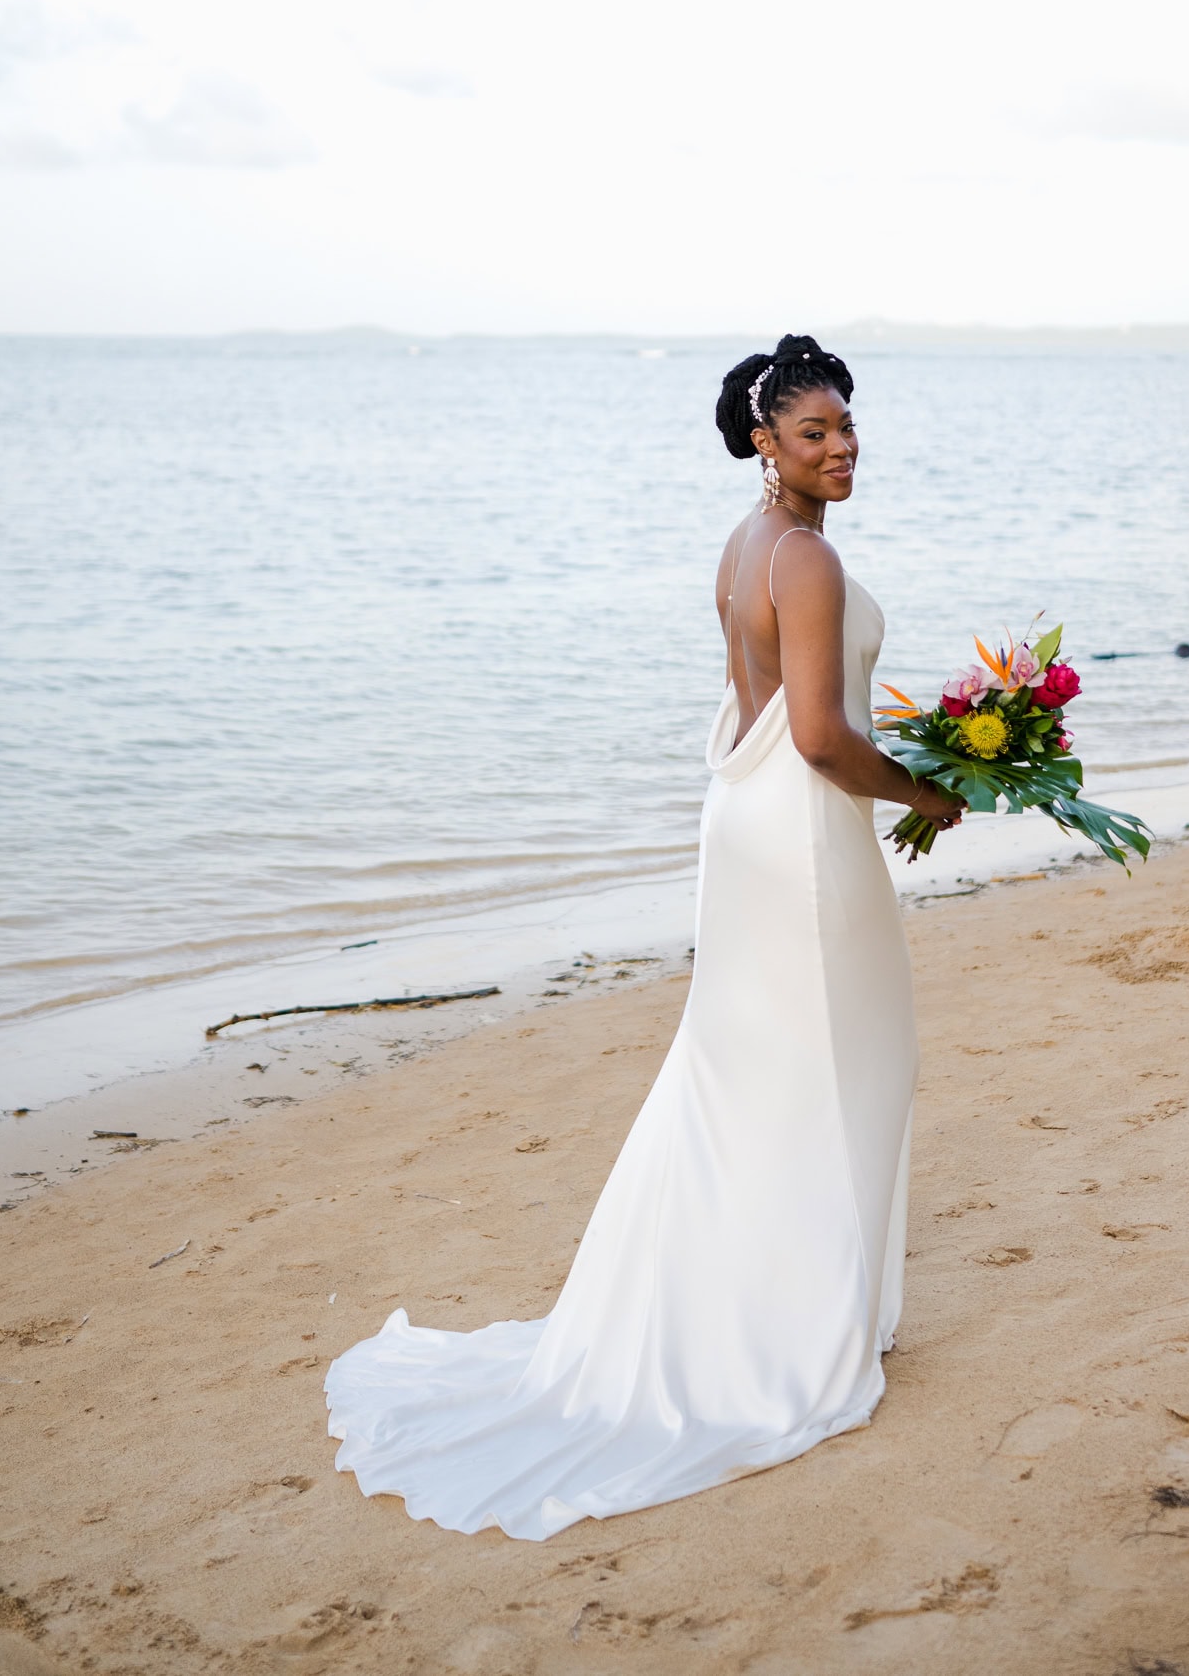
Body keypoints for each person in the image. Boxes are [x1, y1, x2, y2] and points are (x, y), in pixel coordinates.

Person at [324, 333, 963, 1540]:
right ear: (764, 441)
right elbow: (822, 738)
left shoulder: (749, 546)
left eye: (849, 428)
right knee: (846, 1066)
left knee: (750, 1070)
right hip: (808, 838)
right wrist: (930, 794)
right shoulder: (809, 563)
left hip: (748, 824)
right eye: (815, 432)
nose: (842, 449)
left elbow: (758, 706)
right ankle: (790, 1331)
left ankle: (756, 1300)